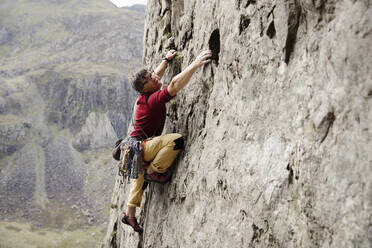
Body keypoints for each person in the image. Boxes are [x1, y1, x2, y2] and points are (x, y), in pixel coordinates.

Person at [122, 49, 212, 233]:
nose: (153, 78)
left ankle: (129, 216)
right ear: (144, 89)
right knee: (176, 140)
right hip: (139, 148)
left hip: (132, 149)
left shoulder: (145, 94)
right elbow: (173, 85)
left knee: (138, 184)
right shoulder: (152, 99)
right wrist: (194, 64)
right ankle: (154, 170)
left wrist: (165, 60)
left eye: (151, 75)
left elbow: (155, 75)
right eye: (148, 80)